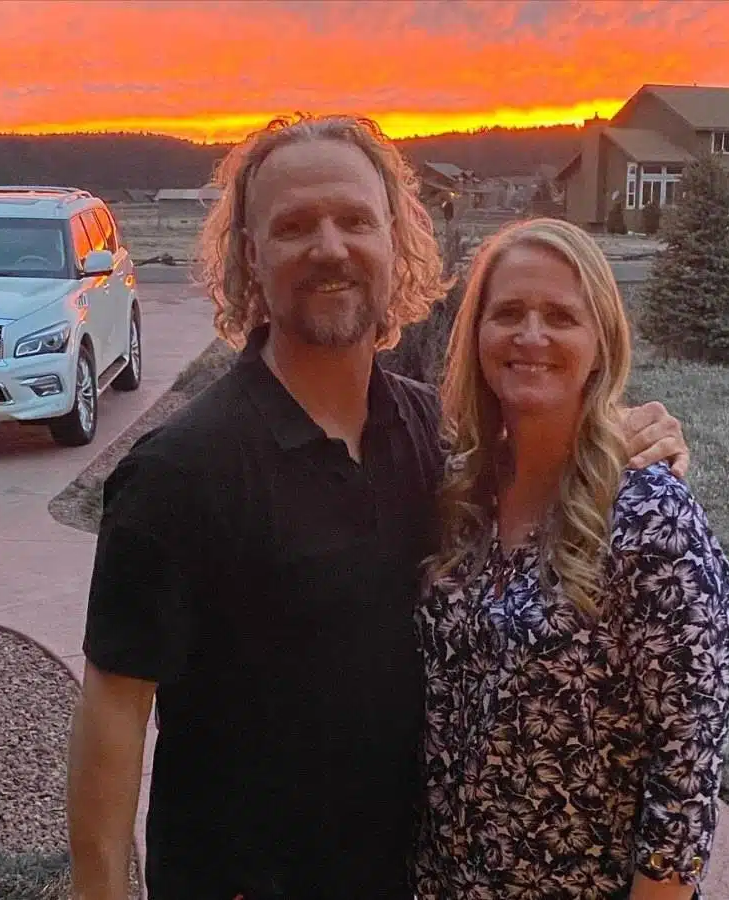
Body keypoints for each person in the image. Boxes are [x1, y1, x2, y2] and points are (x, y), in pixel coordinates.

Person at [65, 115, 690, 900]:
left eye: (355, 220)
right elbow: (113, 721)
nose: (330, 247)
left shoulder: (435, 438)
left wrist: (630, 435)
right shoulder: (179, 476)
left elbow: (549, 463)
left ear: (395, 241)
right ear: (250, 256)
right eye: (294, 226)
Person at [415, 218, 729, 900]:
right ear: (476, 336)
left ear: (601, 344)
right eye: (508, 313)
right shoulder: (457, 495)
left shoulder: (651, 517)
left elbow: (686, 773)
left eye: (560, 316)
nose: (531, 336)